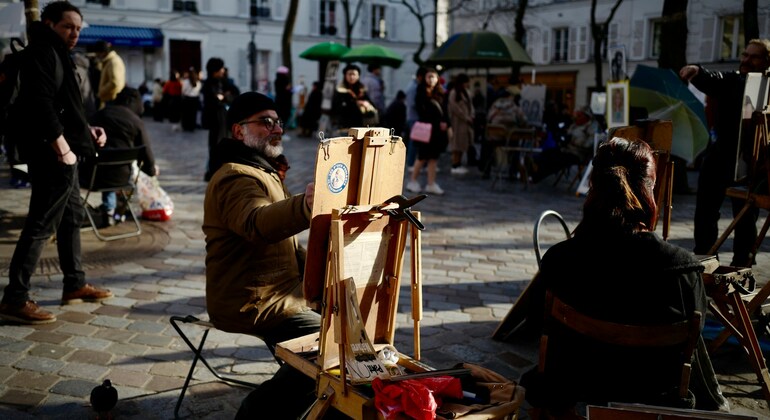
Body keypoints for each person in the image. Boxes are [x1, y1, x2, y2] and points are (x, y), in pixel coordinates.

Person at [519, 137, 728, 415]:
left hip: (574, 383)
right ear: (649, 189)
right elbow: (693, 339)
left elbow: (535, 323)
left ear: (594, 187)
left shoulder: (559, 260)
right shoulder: (683, 270)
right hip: (652, 391)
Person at [202, 92, 319, 419]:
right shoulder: (235, 176)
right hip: (252, 300)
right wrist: (305, 205)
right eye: (266, 122)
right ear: (239, 131)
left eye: (278, 122)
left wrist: (322, 273)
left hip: (277, 292)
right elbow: (256, 222)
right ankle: (255, 414)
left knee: (346, 335)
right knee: (328, 348)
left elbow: (289, 245)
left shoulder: (263, 171)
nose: (277, 129)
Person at [0, 1, 113, 325]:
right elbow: (40, 105)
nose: (75, 33)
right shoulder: (43, 52)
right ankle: (15, 298)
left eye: (78, 28)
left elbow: (64, 106)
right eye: (68, 27)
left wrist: (86, 130)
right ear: (49, 24)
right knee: (41, 225)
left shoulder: (57, 52)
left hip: (65, 151)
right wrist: (63, 149)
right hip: (52, 155)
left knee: (71, 218)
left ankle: (74, 283)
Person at [680, 38, 770, 267]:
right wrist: (697, 70)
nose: (746, 60)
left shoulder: (767, 86)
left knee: (746, 220)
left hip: (753, 163)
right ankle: (705, 263)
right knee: (705, 214)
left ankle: (743, 268)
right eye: (745, 54)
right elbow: (714, 80)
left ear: (767, 61)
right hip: (720, 157)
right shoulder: (735, 80)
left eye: (754, 56)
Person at [86, 87, 158, 226]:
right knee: (116, 169)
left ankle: (110, 209)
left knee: (106, 166)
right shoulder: (135, 121)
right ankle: (117, 208)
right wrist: (152, 170)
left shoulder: (99, 115)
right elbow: (147, 152)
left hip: (91, 177)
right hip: (123, 177)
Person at [406, 67, 447, 196]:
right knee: (422, 156)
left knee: (434, 158)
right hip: (426, 129)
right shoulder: (421, 92)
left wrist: (445, 123)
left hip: (437, 130)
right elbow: (421, 110)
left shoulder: (440, 92)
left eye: (433, 77)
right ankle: (412, 181)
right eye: (429, 77)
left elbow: (445, 110)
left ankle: (431, 183)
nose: (431, 79)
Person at [530, 106, 595, 183]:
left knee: (556, 160)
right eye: (577, 115)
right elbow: (566, 135)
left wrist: (574, 141)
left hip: (577, 154)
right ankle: (533, 169)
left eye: (579, 116)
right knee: (548, 153)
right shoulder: (574, 125)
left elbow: (590, 143)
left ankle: (537, 176)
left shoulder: (590, 127)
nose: (576, 117)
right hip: (566, 149)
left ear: (586, 117)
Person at [202, 57, 235, 181]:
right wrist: (221, 98)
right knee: (215, 146)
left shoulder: (223, 81)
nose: (223, 70)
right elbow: (212, 100)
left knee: (223, 144)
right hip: (215, 120)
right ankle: (213, 172)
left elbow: (233, 94)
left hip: (223, 119)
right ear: (215, 70)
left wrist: (224, 97)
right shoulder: (209, 84)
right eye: (220, 68)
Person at [332, 64, 376, 132]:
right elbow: (336, 108)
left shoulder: (362, 89)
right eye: (349, 74)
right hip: (345, 126)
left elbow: (372, 104)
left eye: (354, 74)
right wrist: (355, 103)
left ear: (358, 76)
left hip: (361, 126)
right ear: (345, 76)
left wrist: (366, 103)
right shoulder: (340, 90)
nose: (352, 77)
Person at [447, 73, 474, 175]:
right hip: (457, 122)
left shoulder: (465, 93)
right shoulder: (454, 93)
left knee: (463, 143)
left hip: (465, 122)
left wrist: (471, 115)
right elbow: (454, 108)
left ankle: (458, 163)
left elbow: (470, 106)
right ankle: (455, 164)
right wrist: (465, 116)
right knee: (456, 144)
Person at [92, 40, 125, 110]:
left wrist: (100, 92)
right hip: (111, 98)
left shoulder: (113, 62)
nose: (97, 56)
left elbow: (114, 82)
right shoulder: (109, 61)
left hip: (111, 99)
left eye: (98, 53)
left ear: (103, 52)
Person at [405, 67, 427, 170]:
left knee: (416, 142)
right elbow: (412, 103)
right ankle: (410, 163)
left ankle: (413, 163)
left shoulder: (415, 86)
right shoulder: (414, 87)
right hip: (414, 117)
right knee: (414, 142)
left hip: (414, 117)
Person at [181, 67, 202, 132]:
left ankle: (186, 126)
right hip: (195, 99)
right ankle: (192, 127)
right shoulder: (198, 82)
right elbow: (198, 91)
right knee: (193, 114)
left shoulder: (186, 81)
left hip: (187, 99)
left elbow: (183, 90)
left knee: (186, 114)